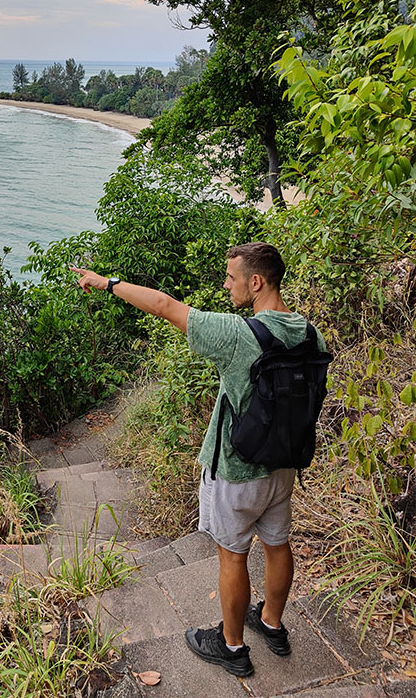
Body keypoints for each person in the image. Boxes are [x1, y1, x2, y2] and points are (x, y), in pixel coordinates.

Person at [71, 242, 326, 678]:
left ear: (256, 281)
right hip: (284, 466)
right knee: (277, 544)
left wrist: (107, 282)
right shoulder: (308, 332)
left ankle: (231, 647)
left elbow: (164, 305)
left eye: (231, 278)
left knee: (233, 555)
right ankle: (272, 624)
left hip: (238, 470)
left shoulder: (237, 334)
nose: (226, 285)